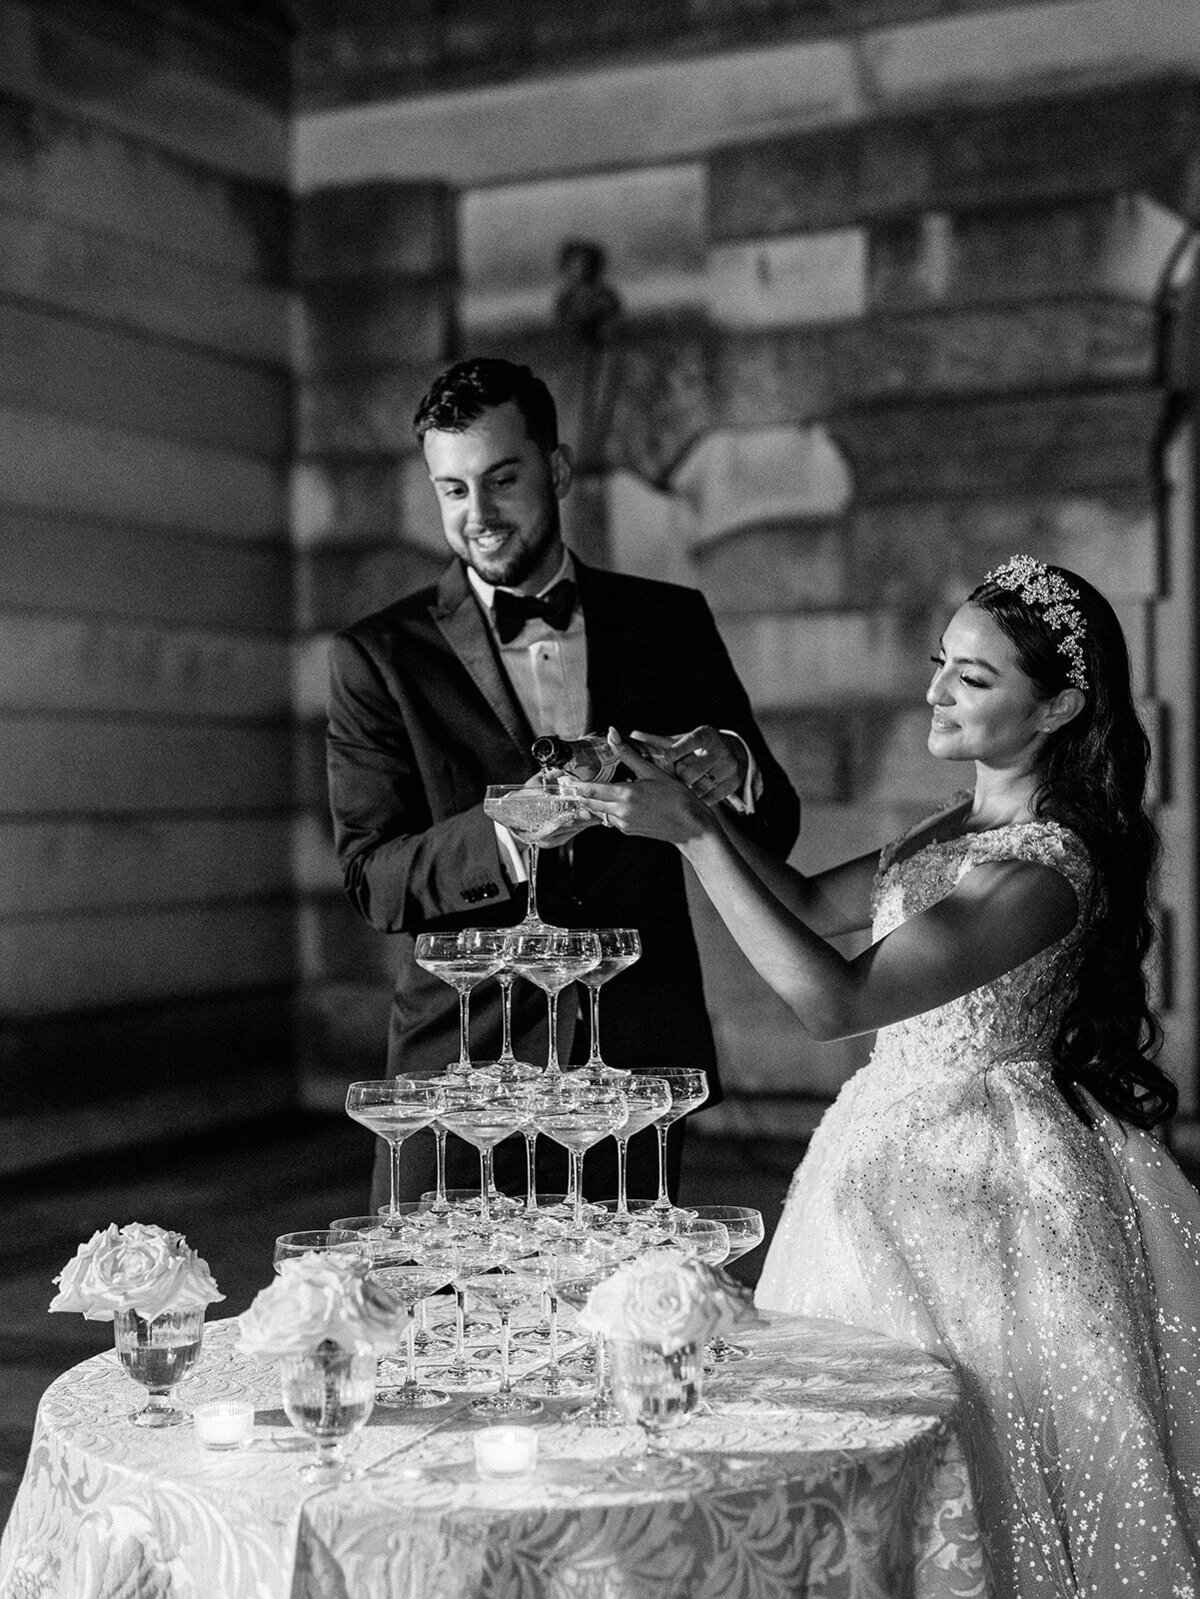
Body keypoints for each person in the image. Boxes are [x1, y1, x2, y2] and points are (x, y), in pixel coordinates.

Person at [574, 556, 1200, 1598]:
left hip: (985, 1187)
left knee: (976, 1436)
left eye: (974, 676)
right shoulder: (948, 832)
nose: (935, 690)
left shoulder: (1046, 870)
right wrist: (702, 807)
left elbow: (833, 1003)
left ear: (1060, 705)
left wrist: (689, 838)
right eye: (939, 662)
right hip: (871, 1154)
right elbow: (807, 904)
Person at [326, 357, 799, 1212]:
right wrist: (509, 832)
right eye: (454, 489)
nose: (479, 515)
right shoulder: (376, 657)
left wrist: (734, 763)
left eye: (502, 479)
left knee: (634, 1333)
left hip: (638, 1066)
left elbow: (779, 823)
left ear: (559, 469)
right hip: (460, 1078)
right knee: (449, 1336)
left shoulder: (669, 621)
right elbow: (374, 879)